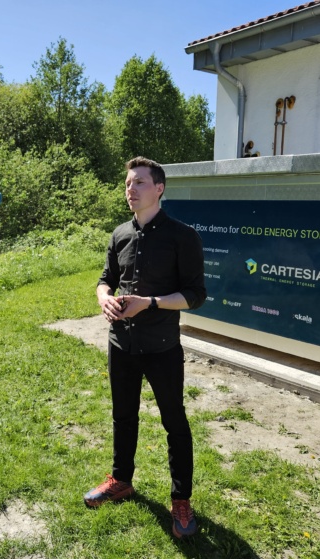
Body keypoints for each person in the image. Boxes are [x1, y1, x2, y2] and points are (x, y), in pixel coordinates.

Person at [85, 156, 207, 539]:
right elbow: (106, 279)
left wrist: (150, 302)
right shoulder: (119, 234)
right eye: (127, 183)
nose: (130, 189)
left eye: (139, 182)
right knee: (123, 416)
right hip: (121, 344)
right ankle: (121, 480)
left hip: (162, 347)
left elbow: (195, 296)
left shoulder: (183, 236)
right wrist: (104, 297)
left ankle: (181, 500)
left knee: (175, 422)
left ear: (159, 189)